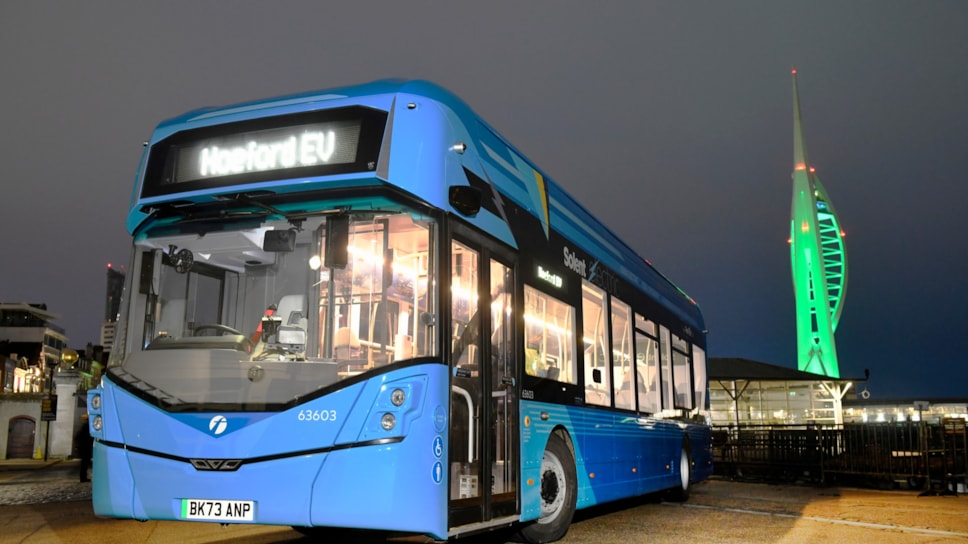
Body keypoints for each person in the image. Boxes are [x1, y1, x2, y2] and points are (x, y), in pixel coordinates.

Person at [76, 414, 93, 483]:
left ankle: (83, 477)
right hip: (85, 447)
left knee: (84, 463)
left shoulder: (85, 426)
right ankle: (83, 477)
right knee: (85, 463)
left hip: (84, 447)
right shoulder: (87, 427)